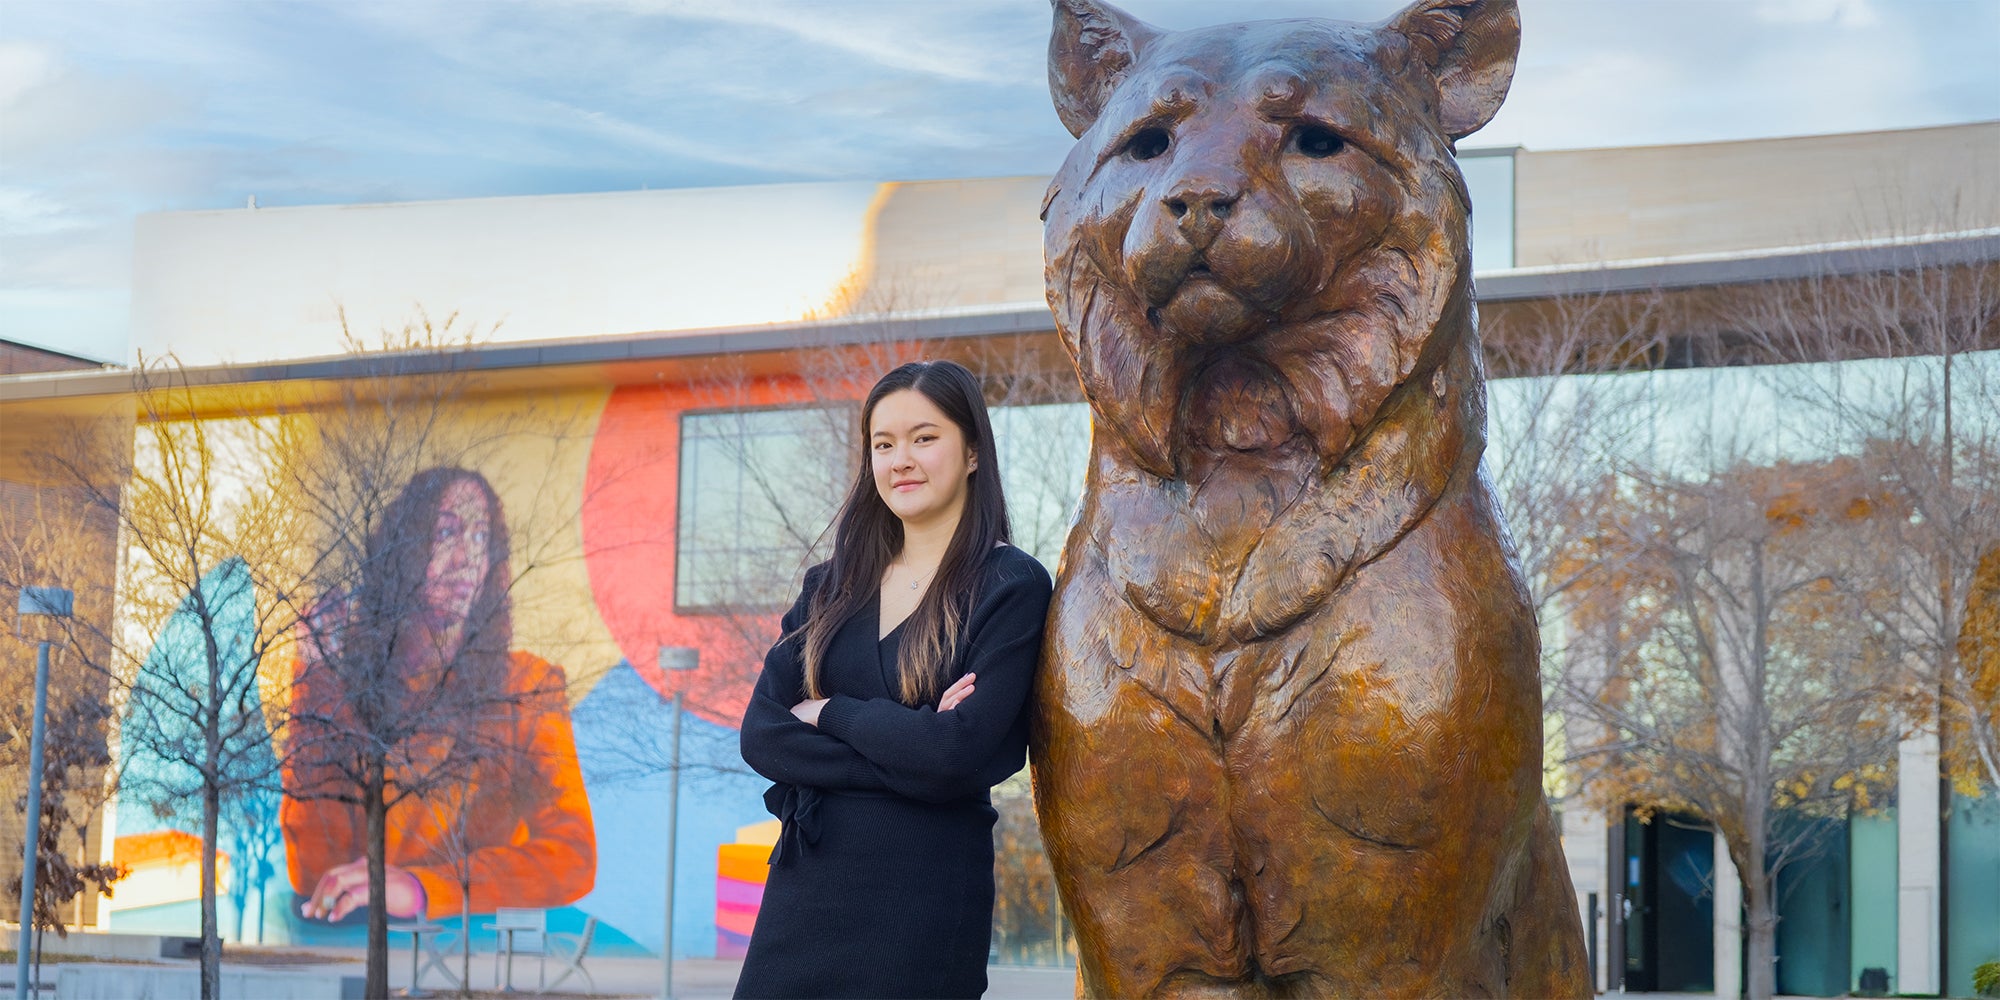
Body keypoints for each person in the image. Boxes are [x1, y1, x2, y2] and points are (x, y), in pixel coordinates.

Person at [735, 360, 1053, 999]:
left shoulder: (1010, 586)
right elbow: (762, 735)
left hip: (923, 898)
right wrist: (913, 745)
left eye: (924, 437)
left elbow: (957, 754)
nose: (900, 459)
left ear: (971, 452)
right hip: (806, 889)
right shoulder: (830, 587)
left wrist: (830, 713)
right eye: (883, 444)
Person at [281, 467, 596, 923]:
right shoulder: (347, 682)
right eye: (446, 532)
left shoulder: (527, 687)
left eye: (480, 537)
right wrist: (312, 684)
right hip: (353, 946)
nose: (465, 558)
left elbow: (573, 854)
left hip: (472, 951)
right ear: (405, 550)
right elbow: (314, 870)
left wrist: (425, 888)